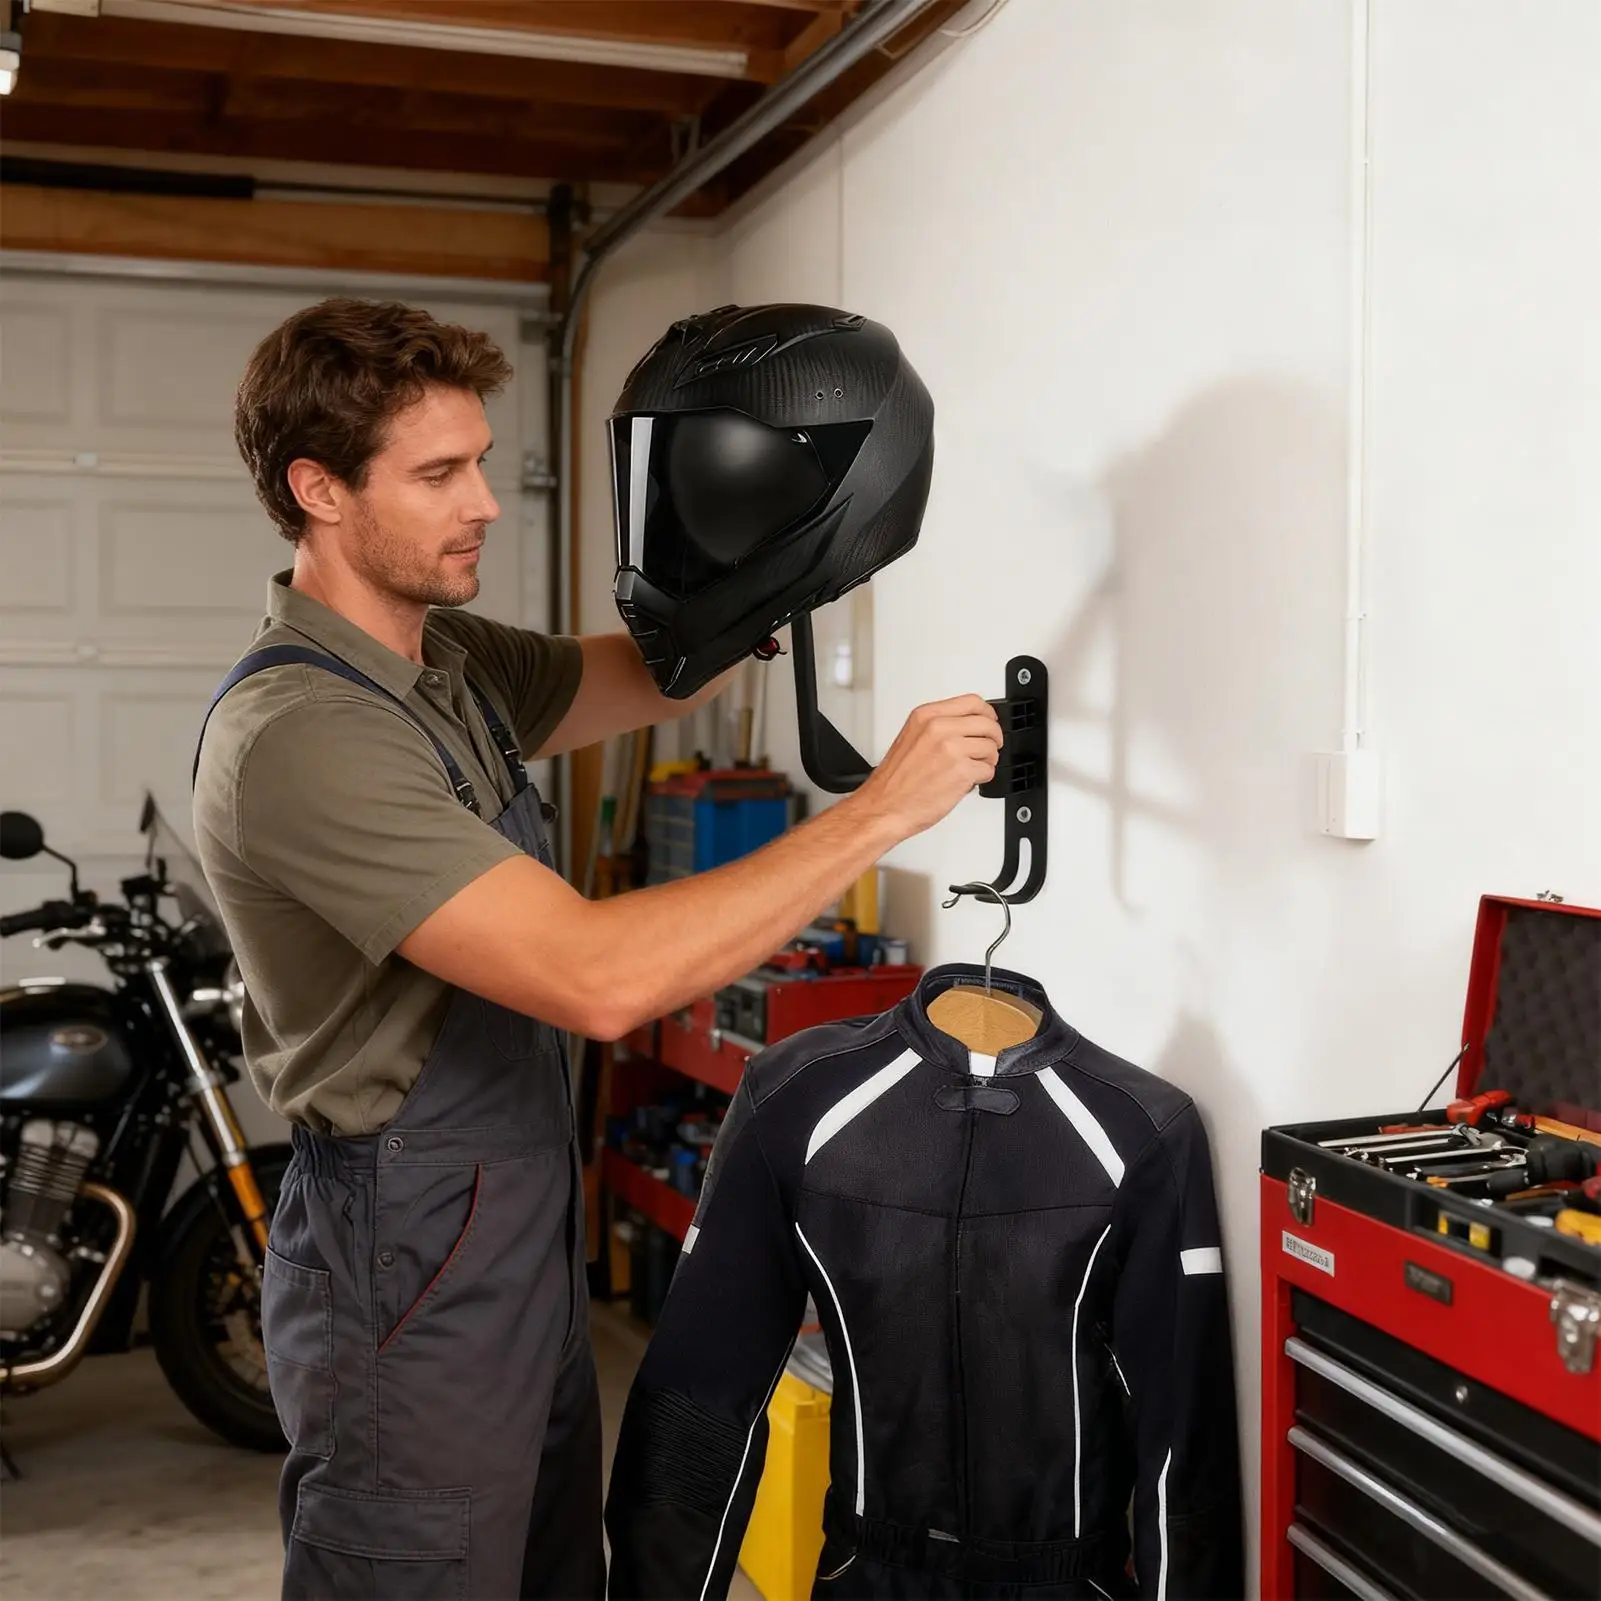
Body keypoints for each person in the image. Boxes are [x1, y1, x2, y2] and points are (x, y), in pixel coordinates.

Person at [191, 297, 1003, 1601]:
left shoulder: (443, 660)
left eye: (481, 462)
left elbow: (652, 671)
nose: (487, 504)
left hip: (508, 1218)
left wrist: (781, 543)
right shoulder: (302, 733)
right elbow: (600, 977)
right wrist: (882, 811)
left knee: (552, 1569)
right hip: (403, 1252)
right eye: (438, 474)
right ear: (317, 491)